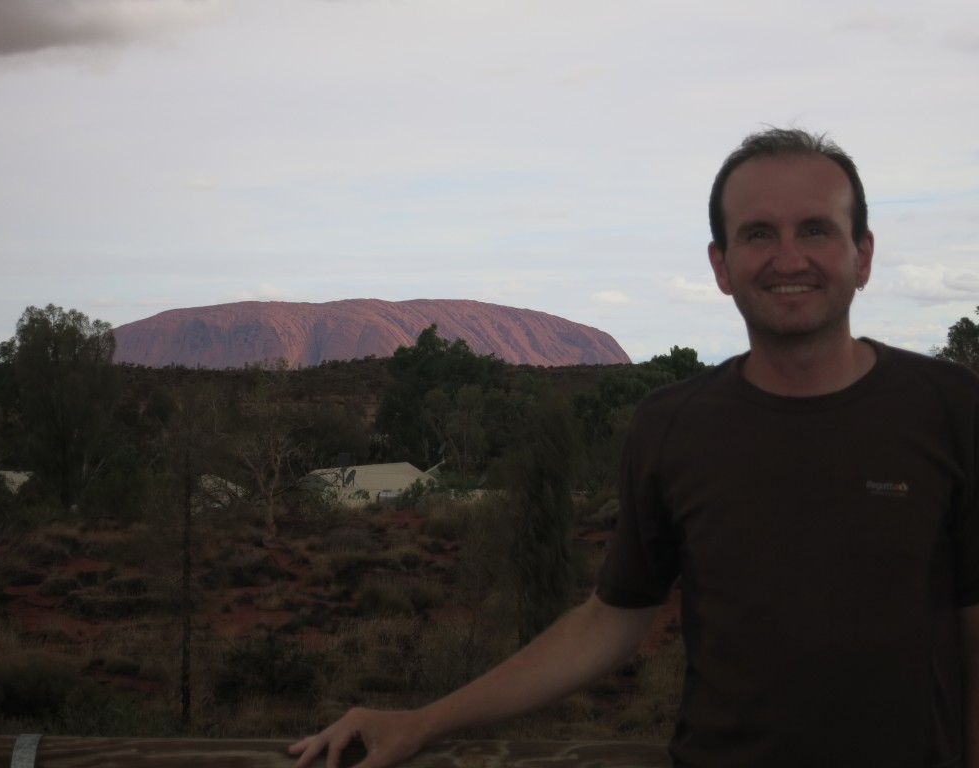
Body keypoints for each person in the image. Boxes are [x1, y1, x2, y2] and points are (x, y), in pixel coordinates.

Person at [290, 128, 979, 768]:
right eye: (759, 233)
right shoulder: (672, 424)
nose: (788, 257)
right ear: (721, 264)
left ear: (862, 255)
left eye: (817, 230)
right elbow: (611, 620)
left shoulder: (950, 407)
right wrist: (423, 721)